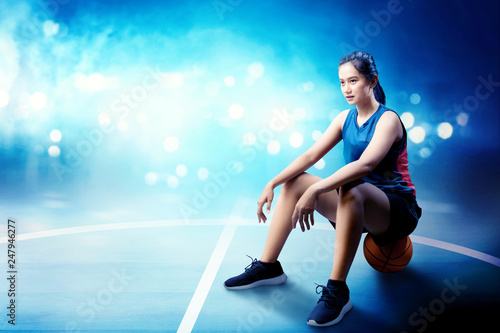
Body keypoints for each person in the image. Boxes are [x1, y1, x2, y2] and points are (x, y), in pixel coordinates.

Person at [224, 51, 422, 327]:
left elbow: (366, 165)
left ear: (372, 81)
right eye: (342, 82)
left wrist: (316, 192)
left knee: (353, 188)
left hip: (396, 209)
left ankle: (338, 291)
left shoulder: (388, 120)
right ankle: (269, 267)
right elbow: (309, 157)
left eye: (353, 80)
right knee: (297, 182)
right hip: (356, 204)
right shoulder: (345, 118)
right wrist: (273, 183)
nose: (347, 89)